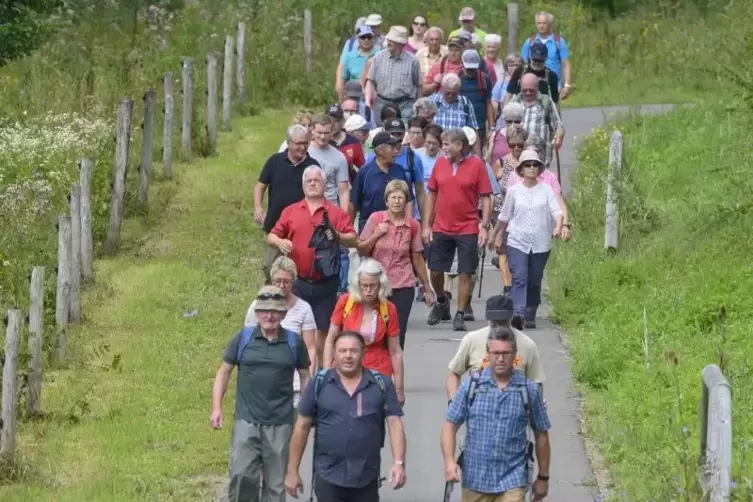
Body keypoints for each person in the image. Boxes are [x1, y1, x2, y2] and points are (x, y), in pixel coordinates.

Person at [211, 285, 312, 502]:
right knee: (241, 476)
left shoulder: (294, 343)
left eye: (275, 311)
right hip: (246, 421)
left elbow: (305, 376)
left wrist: (309, 408)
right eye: (265, 310)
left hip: (281, 423)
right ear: (256, 313)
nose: (270, 315)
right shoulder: (242, 339)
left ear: (283, 314)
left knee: (275, 486)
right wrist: (217, 408)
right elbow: (223, 373)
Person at [285, 330, 407, 501]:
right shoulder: (319, 383)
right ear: (334, 353)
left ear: (363, 353)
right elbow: (301, 427)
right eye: (342, 351)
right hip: (327, 475)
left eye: (353, 350)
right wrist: (292, 471)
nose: (348, 356)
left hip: (367, 476)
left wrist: (399, 463)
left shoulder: (381, 384)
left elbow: (395, 424)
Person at [441, 327, 551, 502]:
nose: (500, 358)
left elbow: (541, 433)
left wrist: (543, 477)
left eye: (506, 353)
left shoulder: (528, 390)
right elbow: (450, 425)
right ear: (488, 354)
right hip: (475, 480)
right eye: (496, 353)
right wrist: (449, 461)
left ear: (515, 355)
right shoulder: (471, 387)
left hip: (513, 480)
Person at [268, 165, 357, 363]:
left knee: (322, 332)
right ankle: (298, 370)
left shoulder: (335, 213)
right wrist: (280, 242)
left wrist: (338, 235)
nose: (313, 183)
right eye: (309, 181)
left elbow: (352, 238)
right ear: (303, 185)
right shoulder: (291, 211)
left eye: (317, 180)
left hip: (326, 282)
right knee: (296, 328)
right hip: (297, 282)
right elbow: (272, 236)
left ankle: (318, 376)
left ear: (325, 185)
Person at [423, 128, 492, 332]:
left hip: (467, 227)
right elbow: (432, 195)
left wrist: (485, 226)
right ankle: (442, 301)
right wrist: (427, 224)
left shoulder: (477, 165)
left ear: (460, 145)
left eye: (447, 144)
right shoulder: (440, 164)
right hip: (442, 226)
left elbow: (486, 197)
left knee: (465, 272)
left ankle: (460, 313)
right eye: (442, 144)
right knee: (435, 271)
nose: (443, 148)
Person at [492, 149, 563, 330]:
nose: (532, 168)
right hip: (517, 240)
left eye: (535, 165)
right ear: (521, 169)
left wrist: (558, 226)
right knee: (520, 276)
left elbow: (557, 211)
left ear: (539, 168)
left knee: (534, 279)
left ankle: (531, 310)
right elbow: (505, 215)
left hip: (541, 242)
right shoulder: (514, 191)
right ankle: (519, 313)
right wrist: (496, 234)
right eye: (528, 165)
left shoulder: (546, 190)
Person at [358, 180, 434, 349]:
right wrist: (376, 235)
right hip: (376, 285)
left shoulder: (412, 225)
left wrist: (427, 288)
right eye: (393, 197)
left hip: (402, 285)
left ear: (406, 201)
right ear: (387, 200)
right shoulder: (376, 219)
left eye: (401, 198)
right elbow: (361, 250)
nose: (397, 201)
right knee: (374, 332)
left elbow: (417, 258)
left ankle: (394, 371)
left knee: (397, 334)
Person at [322, 258, 406, 404]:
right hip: (345, 368)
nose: (368, 290)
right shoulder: (345, 302)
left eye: (373, 286)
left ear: (381, 285)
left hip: (378, 372)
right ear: (357, 284)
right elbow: (330, 340)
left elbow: (395, 351)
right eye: (364, 285)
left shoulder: (389, 309)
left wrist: (399, 389)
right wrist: (326, 374)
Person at [244, 256, 318, 403]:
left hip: (295, 383)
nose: (282, 286)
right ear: (272, 281)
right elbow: (247, 342)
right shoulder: (257, 306)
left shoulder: (304, 309)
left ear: (294, 281)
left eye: (287, 282)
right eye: (278, 281)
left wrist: (307, 383)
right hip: (263, 381)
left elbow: (310, 348)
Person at [446, 294, 545, 400]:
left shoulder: (528, 345)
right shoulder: (471, 340)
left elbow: (537, 384)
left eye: (503, 322)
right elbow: (454, 373)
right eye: (495, 322)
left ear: (511, 318)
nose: (499, 326)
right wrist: (453, 402)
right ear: (488, 319)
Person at [255, 124, 319, 283]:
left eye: (306, 143)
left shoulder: (313, 167)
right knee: (271, 268)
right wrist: (258, 207)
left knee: (298, 270)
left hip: (301, 227)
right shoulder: (274, 161)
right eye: (298, 143)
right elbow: (260, 186)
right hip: (275, 224)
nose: (303, 147)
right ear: (289, 143)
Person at [489, 123, 528, 294]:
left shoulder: (530, 163)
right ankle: (507, 285)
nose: (516, 148)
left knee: (519, 250)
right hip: (503, 212)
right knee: (502, 249)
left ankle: (519, 280)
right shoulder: (501, 163)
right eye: (513, 145)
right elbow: (492, 188)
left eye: (520, 144)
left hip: (524, 213)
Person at [364, 118, 426, 222]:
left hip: (403, 217)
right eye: (392, 133)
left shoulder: (413, 158)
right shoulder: (372, 157)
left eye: (399, 134)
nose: (396, 137)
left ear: (404, 135)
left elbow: (420, 192)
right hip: (375, 219)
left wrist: (424, 224)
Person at [350, 131, 413, 233]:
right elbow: (353, 204)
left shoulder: (399, 170)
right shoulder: (364, 173)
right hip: (370, 231)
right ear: (379, 150)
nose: (396, 151)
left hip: (396, 231)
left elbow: (408, 199)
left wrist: (408, 226)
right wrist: (350, 231)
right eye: (392, 147)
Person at [363, 26, 421, 126]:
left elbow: (419, 85)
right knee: (381, 134)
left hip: (404, 105)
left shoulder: (413, 61)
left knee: (402, 134)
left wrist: (417, 106)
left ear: (401, 44)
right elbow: (370, 81)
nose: (388, 42)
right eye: (388, 39)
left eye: (392, 41)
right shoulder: (379, 57)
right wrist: (367, 102)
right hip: (382, 103)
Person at [511, 73, 564, 167]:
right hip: (518, 158)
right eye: (525, 90)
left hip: (541, 159)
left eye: (531, 90)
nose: (528, 93)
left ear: (537, 87)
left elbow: (559, 126)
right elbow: (505, 128)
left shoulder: (546, 102)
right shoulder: (515, 102)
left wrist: (559, 137)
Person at [521, 11, 572, 100]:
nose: (542, 26)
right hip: (532, 83)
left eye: (544, 23)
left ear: (549, 24)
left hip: (553, 84)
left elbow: (565, 64)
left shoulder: (559, 41)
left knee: (553, 111)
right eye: (539, 23)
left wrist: (567, 85)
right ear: (536, 25)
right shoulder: (529, 42)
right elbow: (523, 63)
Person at [458, 49, 494, 152]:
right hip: (461, 126)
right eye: (468, 68)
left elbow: (488, 102)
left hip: (479, 127)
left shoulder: (484, 79)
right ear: (462, 64)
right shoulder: (456, 78)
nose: (470, 71)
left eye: (473, 68)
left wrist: (492, 128)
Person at [429, 73, 479, 140]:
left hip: (458, 147)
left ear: (458, 90)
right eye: (447, 93)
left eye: (454, 94)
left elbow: (473, 131)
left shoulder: (465, 103)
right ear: (442, 88)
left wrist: (477, 150)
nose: (450, 96)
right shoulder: (431, 102)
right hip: (436, 147)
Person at [338, 25, 379, 102]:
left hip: (375, 97)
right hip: (354, 97)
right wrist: (342, 103)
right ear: (357, 38)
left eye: (369, 37)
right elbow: (342, 82)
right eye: (363, 37)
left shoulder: (379, 54)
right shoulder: (349, 57)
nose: (366, 40)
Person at [487, 102, 524, 168]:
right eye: (509, 121)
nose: (513, 124)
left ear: (521, 121)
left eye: (517, 121)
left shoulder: (525, 135)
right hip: (496, 174)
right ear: (504, 120)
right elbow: (488, 159)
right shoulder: (495, 135)